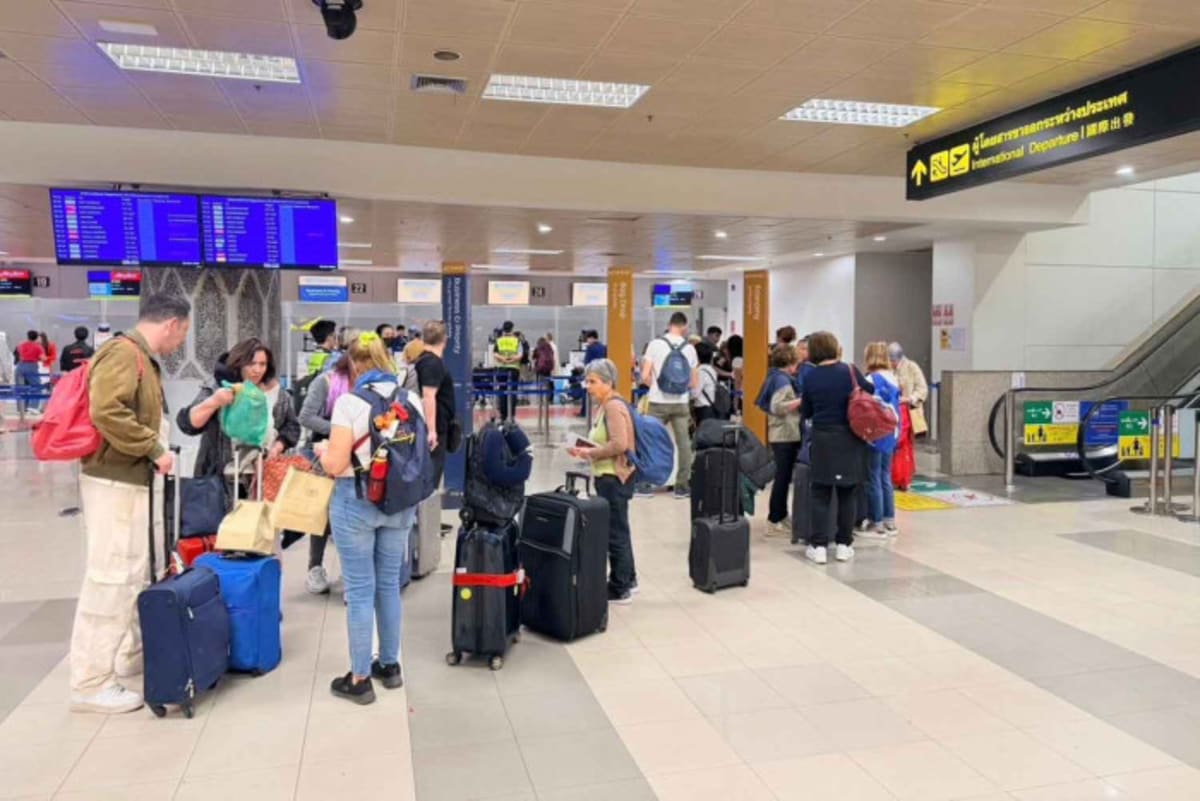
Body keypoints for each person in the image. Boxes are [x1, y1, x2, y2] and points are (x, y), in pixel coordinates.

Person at [69, 294, 191, 714]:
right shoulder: (123, 354)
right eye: (184, 333)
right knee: (111, 575)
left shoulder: (137, 356)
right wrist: (153, 447)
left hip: (130, 480)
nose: (181, 342)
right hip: (115, 481)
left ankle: (124, 653)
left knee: (133, 570)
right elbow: (108, 411)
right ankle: (90, 680)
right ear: (172, 324)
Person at [317, 333, 421, 705]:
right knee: (389, 584)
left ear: (355, 365)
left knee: (360, 590)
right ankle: (389, 665)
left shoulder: (349, 402)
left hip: (356, 500)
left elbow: (335, 463)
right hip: (401, 503)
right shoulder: (412, 400)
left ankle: (360, 677)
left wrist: (322, 450)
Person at [177, 338, 301, 480]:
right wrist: (215, 401)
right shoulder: (220, 388)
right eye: (251, 364)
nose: (257, 370)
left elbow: (292, 426)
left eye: (262, 364)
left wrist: (278, 446)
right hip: (220, 477)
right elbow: (187, 424)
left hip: (262, 476)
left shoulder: (277, 393)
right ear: (239, 363)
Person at [800, 331, 873, 565]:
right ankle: (844, 544)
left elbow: (807, 412)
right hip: (850, 438)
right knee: (847, 492)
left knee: (820, 493)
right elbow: (869, 392)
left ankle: (818, 546)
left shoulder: (810, 376)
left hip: (822, 438)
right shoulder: (850, 371)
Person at [569, 359, 637, 604]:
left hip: (613, 478)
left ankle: (621, 587)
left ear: (608, 383)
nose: (588, 386)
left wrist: (590, 453)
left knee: (615, 532)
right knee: (619, 529)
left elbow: (620, 444)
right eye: (587, 381)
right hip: (606, 475)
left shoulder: (612, 407)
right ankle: (628, 578)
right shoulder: (605, 405)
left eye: (593, 381)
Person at [297, 353, 354, 595]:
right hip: (322, 453)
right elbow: (306, 416)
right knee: (322, 514)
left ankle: (351, 569)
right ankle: (315, 567)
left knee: (351, 514)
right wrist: (339, 430)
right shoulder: (325, 382)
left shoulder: (364, 384)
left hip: (354, 453)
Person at [640, 312, 699, 500]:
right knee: (684, 445)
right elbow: (693, 382)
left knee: (650, 441)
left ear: (669, 324)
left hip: (657, 402)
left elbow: (644, 376)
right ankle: (682, 487)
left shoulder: (655, 345)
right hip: (680, 404)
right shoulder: (689, 348)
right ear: (684, 326)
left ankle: (645, 484)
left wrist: (656, 386)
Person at [861, 342, 902, 539]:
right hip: (891, 431)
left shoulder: (871, 379)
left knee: (873, 477)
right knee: (885, 476)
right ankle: (889, 521)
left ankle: (875, 523)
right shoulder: (893, 377)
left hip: (874, 433)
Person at [764, 344, 803, 536]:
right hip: (784, 434)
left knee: (784, 477)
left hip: (780, 434)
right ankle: (774, 519)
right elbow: (777, 406)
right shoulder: (783, 382)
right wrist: (800, 401)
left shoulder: (774, 377)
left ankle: (780, 514)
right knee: (782, 478)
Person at [414, 320, 456, 487]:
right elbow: (428, 396)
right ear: (444, 340)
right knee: (431, 476)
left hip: (434, 424)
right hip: (435, 426)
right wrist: (431, 431)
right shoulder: (432, 363)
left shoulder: (423, 360)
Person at [889, 342, 929, 435]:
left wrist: (909, 399)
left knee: (907, 442)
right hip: (894, 411)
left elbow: (922, 389)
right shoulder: (889, 369)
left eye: (893, 361)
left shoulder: (912, 367)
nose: (891, 363)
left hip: (910, 411)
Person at [493, 321, 521, 422]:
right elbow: (520, 354)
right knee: (513, 392)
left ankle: (503, 415)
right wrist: (512, 360)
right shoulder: (517, 340)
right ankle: (512, 415)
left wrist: (503, 360)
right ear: (512, 329)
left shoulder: (499, 340)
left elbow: (495, 354)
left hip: (502, 368)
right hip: (514, 369)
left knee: (502, 391)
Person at [15, 330, 45, 415]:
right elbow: (43, 358)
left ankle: (21, 408)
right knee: (37, 387)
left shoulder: (20, 345)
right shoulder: (38, 347)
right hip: (31, 367)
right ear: (36, 338)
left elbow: (19, 353)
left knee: (21, 388)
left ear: (27, 336)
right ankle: (33, 407)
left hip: (20, 366)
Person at [692, 340, 719, 425]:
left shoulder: (700, 371)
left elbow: (695, 393)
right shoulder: (711, 369)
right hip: (711, 407)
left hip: (703, 409)